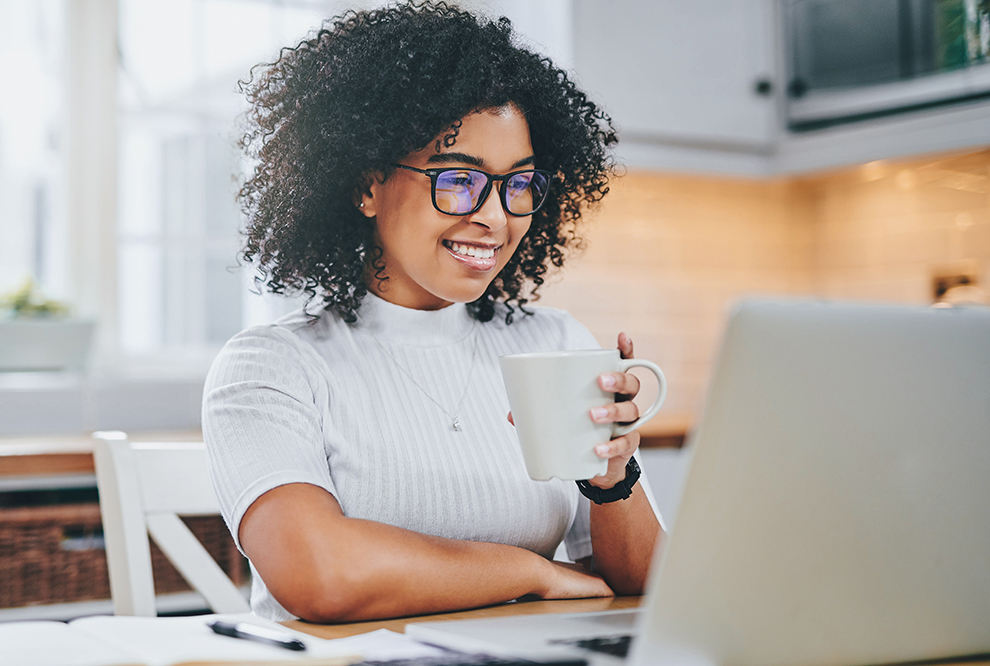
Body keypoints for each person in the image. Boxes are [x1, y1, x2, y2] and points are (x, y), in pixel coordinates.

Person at [203, 1, 663, 623]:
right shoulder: (272, 367)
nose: (496, 218)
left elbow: (641, 586)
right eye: (457, 179)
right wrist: (529, 571)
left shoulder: (554, 342)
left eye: (519, 184)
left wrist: (612, 479)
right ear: (368, 185)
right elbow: (321, 575)